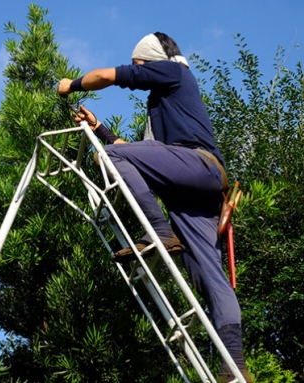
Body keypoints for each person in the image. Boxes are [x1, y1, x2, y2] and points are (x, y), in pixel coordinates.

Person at [58, 32, 252, 382]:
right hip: (195, 190)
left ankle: (161, 233)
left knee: (111, 157)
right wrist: (99, 128)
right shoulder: (163, 104)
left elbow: (105, 77)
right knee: (209, 278)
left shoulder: (174, 73)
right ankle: (234, 368)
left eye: (139, 66)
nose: (138, 71)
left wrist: (70, 85)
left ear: (149, 61)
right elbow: (139, 156)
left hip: (200, 167)